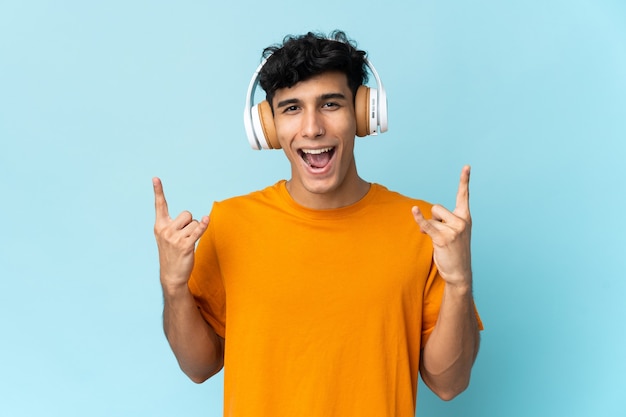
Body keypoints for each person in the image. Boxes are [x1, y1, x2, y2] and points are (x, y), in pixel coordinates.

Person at [152, 30, 482, 417]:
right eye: (291, 108)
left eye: (330, 104)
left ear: (363, 115)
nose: (312, 128)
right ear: (269, 128)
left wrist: (460, 283)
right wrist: (174, 286)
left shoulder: (423, 229)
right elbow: (198, 367)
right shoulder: (228, 223)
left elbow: (449, 384)